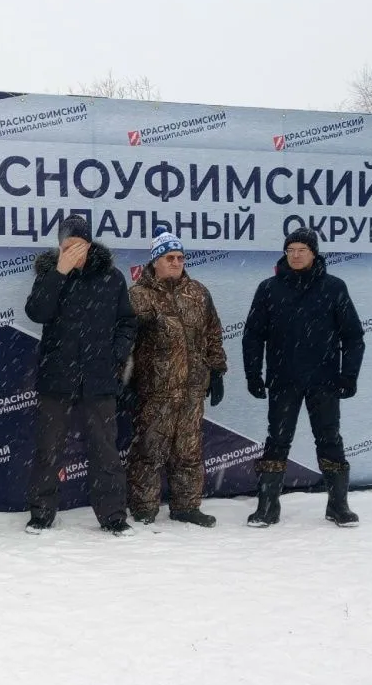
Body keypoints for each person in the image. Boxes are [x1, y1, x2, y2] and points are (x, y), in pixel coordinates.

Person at [242, 226, 364, 528]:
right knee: (277, 441)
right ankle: (267, 506)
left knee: (330, 440)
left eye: (302, 250)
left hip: (324, 381)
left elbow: (353, 336)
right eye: (290, 250)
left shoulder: (334, 287)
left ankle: (338, 506)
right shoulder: (268, 288)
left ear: (314, 253)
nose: (295, 255)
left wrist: (349, 376)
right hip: (283, 380)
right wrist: (253, 374)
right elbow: (253, 335)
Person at [23, 216, 137, 534]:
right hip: (56, 377)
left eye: (78, 245)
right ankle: (41, 513)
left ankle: (113, 515)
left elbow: (127, 321)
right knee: (48, 449)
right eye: (66, 245)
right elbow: (36, 312)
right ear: (59, 247)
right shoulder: (49, 273)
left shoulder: (112, 277)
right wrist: (58, 273)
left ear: (89, 245)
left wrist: (115, 355)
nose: (72, 250)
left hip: (99, 379)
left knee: (105, 450)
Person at [125, 227, 227, 527]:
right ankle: (144, 508)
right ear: (155, 260)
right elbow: (124, 343)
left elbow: (213, 332)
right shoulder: (138, 296)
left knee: (189, 450)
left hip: (193, 389)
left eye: (180, 257)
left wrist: (217, 371)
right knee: (149, 450)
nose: (176, 262)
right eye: (169, 257)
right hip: (155, 390)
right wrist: (124, 382)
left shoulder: (198, 293)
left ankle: (186, 506)